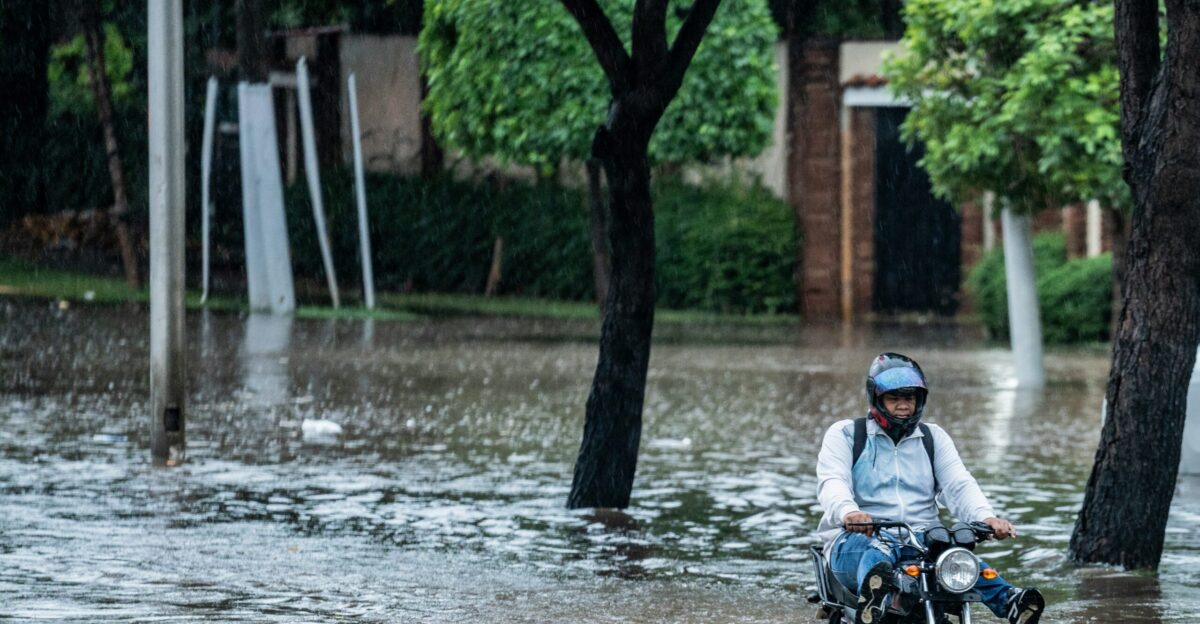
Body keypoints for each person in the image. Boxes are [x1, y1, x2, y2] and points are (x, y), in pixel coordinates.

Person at [815, 352, 1044, 624]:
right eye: (894, 398)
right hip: (856, 539)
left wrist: (986, 517)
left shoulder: (933, 437)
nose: (903, 406)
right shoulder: (846, 434)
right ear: (876, 398)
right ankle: (874, 602)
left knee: (954, 556)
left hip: (920, 539)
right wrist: (849, 512)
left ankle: (1010, 601)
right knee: (878, 552)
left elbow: (958, 484)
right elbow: (833, 481)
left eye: (909, 398)